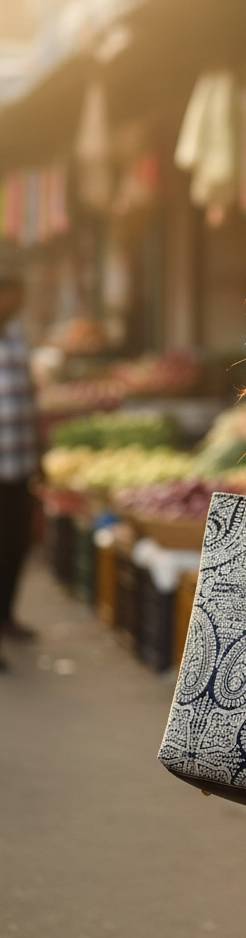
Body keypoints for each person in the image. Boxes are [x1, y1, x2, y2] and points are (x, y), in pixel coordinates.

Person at [0, 273, 39, 667]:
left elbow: (28, 398)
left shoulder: (15, 339)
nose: (15, 302)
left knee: (15, 545)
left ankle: (6, 615)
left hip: (18, 465)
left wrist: (38, 456)